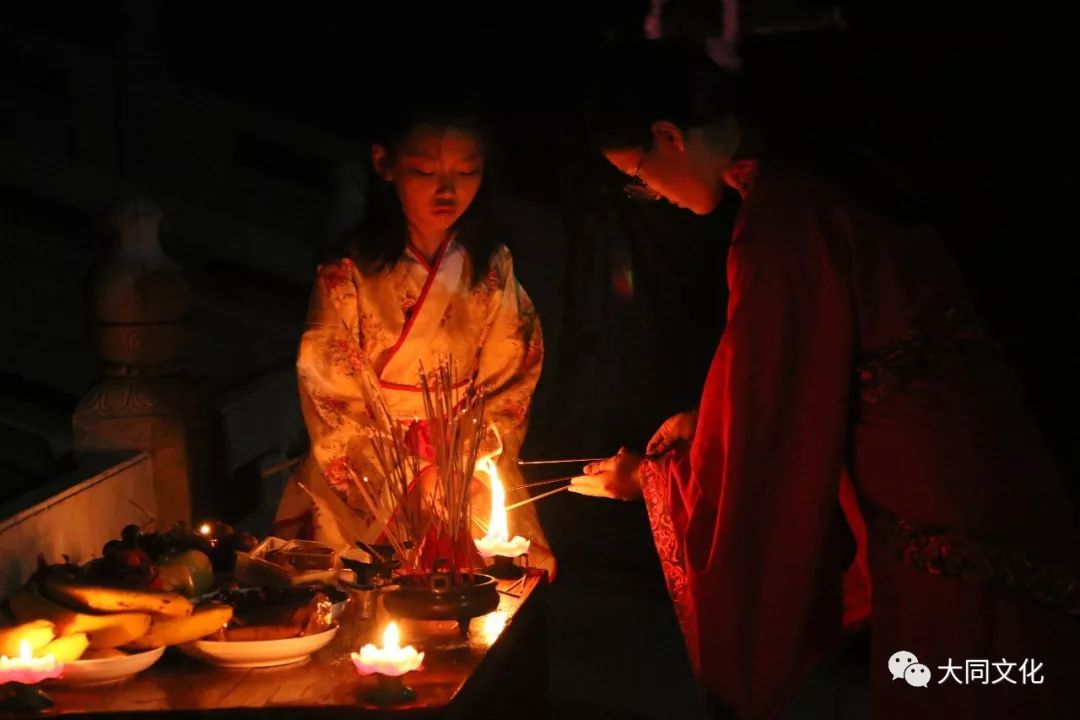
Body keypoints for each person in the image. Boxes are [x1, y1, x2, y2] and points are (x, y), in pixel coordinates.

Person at [570, 42, 1079, 719]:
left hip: (942, 506)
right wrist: (705, 421)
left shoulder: (784, 220)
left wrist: (657, 478)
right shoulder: (816, 175)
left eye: (639, 174)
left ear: (669, 135)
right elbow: (787, 375)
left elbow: (770, 422)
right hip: (979, 467)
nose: (652, 195)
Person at [274, 96, 553, 573]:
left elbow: (512, 375)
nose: (448, 191)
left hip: (466, 460)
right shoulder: (348, 271)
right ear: (385, 164)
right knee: (359, 590)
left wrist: (471, 465)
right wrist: (410, 477)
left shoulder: (491, 265)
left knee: (493, 583)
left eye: (467, 172)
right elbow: (332, 393)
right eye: (426, 172)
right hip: (372, 473)